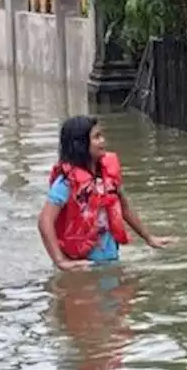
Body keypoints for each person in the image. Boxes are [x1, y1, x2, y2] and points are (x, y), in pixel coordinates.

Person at [38, 116, 170, 271]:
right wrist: (60, 261)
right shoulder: (66, 183)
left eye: (101, 135)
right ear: (80, 144)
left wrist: (149, 238)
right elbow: (44, 221)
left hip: (110, 259)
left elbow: (124, 207)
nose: (103, 141)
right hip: (82, 267)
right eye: (96, 137)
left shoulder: (108, 176)